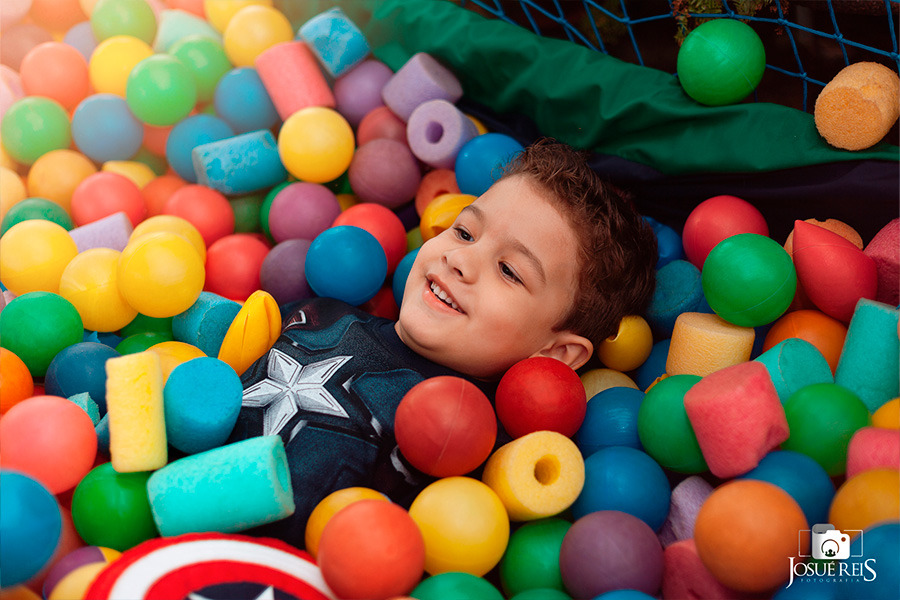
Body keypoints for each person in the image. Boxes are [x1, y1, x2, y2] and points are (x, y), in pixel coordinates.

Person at [229, 138, 658, 546]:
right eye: (465, 232)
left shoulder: (471, 446)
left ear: (556, 352)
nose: (460, 259)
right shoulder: (320, 311)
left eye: (509, 271)